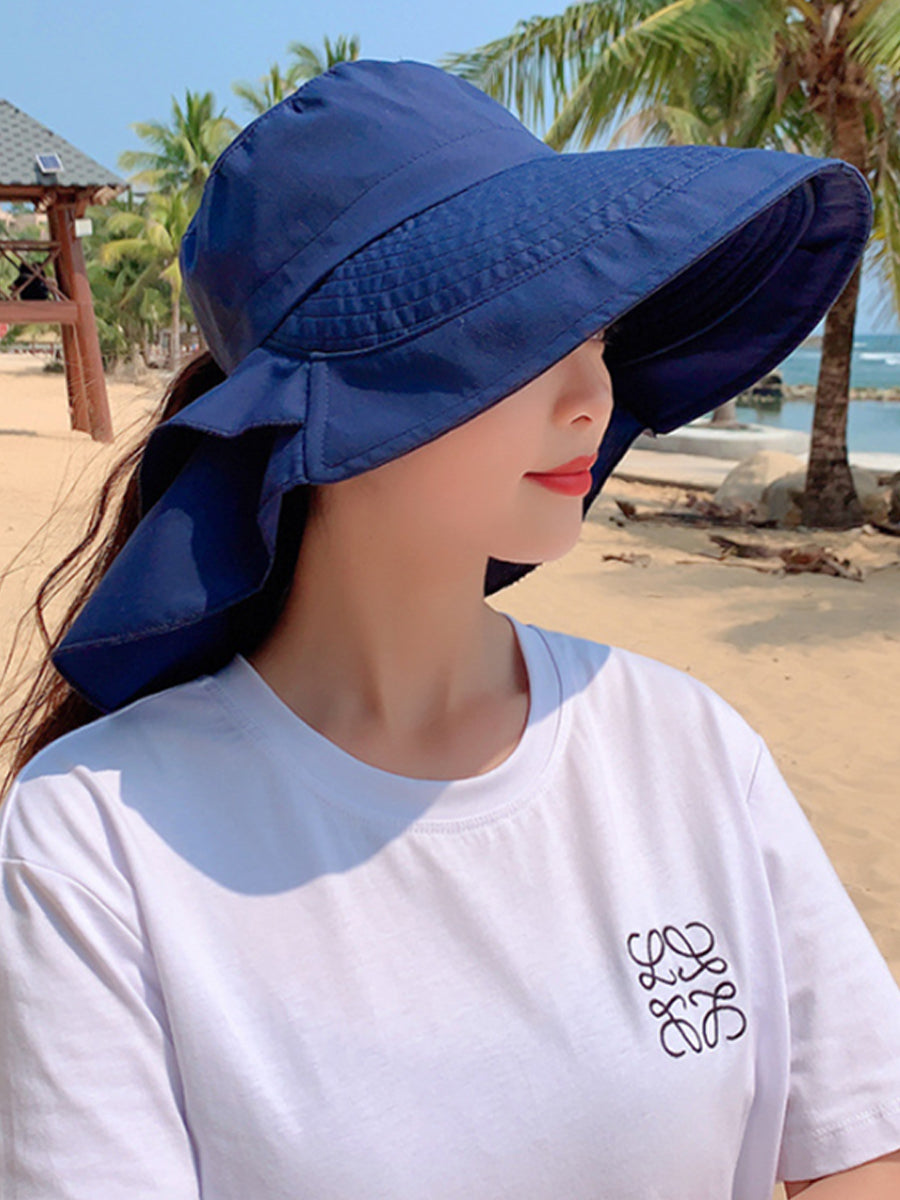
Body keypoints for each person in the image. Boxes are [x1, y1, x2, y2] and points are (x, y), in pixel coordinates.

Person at [1, 59, 899, 1200]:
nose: (594, 395)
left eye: (599, 331)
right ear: (340, 400)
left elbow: (857, 1149)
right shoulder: (99, 839)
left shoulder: (688, 745)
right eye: (525, 331)